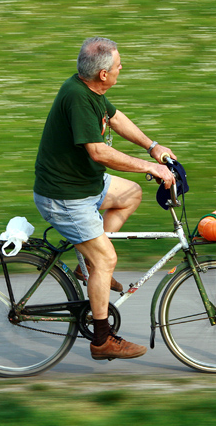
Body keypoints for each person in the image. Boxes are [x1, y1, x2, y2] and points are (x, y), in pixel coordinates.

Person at [33, 36, 176, 361]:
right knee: (106, 260)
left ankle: (88, 266)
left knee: (131, 193)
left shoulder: (89, 90)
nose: (121, 67)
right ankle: (102, 340)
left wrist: (152, 146)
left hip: (84, 186)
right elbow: (98, 152)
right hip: (65, 197)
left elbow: (116, 118)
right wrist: (149, 167)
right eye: (118, 65)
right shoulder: (79, 99)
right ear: (102, 74)